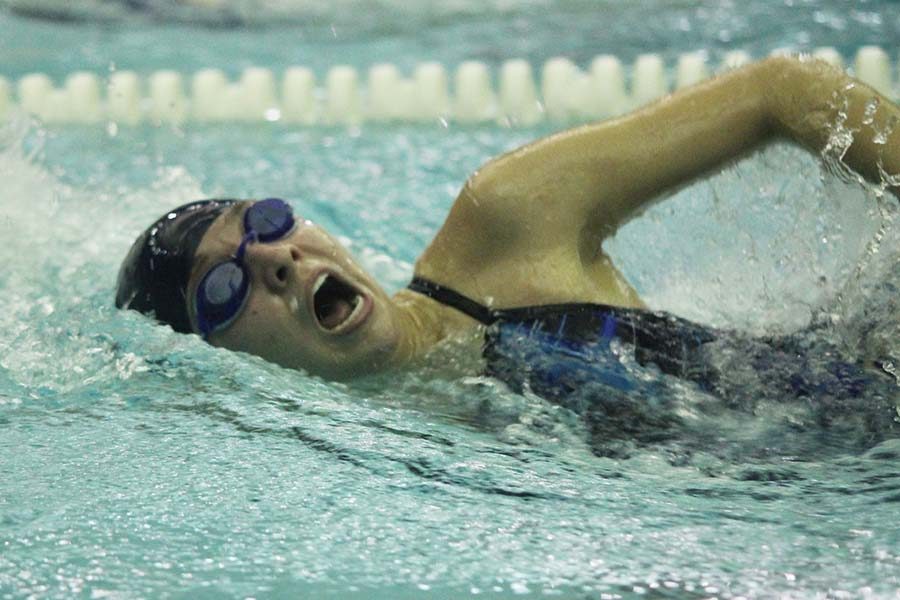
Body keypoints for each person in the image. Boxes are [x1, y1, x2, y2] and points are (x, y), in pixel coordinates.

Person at [116, 55, 900, 399]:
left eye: (266, 224)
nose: (277, 261)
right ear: (220, 367)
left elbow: (782, 91)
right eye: (224, 289)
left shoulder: (507, 221)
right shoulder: (387, 471)